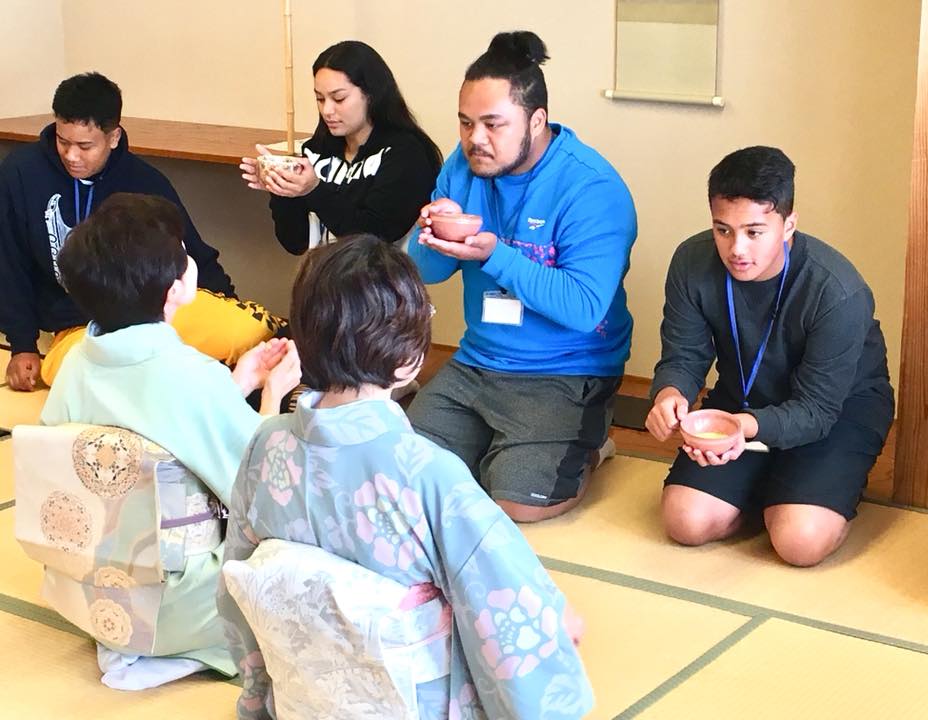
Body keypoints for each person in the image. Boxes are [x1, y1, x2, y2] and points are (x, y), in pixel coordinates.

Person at [217, 235, 592, 719]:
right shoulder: (429, 473)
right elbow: (504, 602)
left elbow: (238, 587)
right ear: (408, 359)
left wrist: (256, 699)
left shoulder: (266, 446)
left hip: (303, 701)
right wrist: (552, 622)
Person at [39, 193, 301, 689]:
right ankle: (195, 649)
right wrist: (272, 396)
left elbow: (156, 422)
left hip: (86, 592)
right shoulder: (191, 375)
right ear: (175, 287)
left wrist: (236, 385)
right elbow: (260, 488)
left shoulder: (75, 362)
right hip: (176, 605)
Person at [405, 31, 636, 523]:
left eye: (493, 124)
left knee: (517, 503)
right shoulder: (463, 167)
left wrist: (494, 254)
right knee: (402, 475)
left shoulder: (591, 187)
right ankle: (501, 446)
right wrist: (430, 233)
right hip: (478, 361)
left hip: (567, 370)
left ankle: (590, 446)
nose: (475, 139)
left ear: (536, 121)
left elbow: (584, 307)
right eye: (466, 123)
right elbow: (427, 272)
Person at [645, 146, 894, 567]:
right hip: (745, 395)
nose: (736, 249)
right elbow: (683, 355)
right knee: (685, 521)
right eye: (723, 230)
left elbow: (817, 411)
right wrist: (670, 394)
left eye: (754, 232)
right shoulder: (691, 261)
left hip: (836, 411)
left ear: (788, 224)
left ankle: (795, 491)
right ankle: (770, 486)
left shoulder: (837, 290)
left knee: (799, 542)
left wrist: (741, 429)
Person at [0, 71, 285, 392]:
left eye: (84, 146)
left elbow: (192, 253)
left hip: (156, 313)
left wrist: (226, 307)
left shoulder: (144, 182)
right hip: (81, 326)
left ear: (114, 137)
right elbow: (9, 263)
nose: (71, 155)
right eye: (62, 141)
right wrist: (22, 344)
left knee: (249, 333)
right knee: (71, 378)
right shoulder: (21, 173)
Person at [240, 40, 442, 252]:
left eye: (339, 98)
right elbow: (296, 242)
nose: (327, 110)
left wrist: (315, 189)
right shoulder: (317, 150)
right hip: (323, 271)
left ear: (371, 95)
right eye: (320, 99)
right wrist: (282, 189)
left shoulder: (406, 154)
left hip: (380, 273)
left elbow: (374, 236)